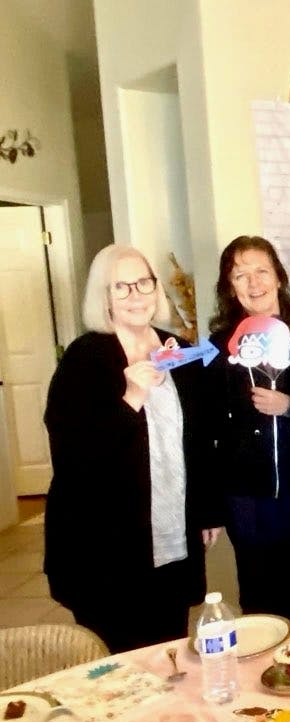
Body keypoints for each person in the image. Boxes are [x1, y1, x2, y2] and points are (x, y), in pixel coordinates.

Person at [43, 245, 219, 652]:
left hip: (171, 530)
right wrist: (131, 398)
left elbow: (200, 437)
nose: (136, 295)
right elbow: (73, 456)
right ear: (103, 298)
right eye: (121, 287)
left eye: (143, 282)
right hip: (104, 545)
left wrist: (207, 509)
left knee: (168, 649)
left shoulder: (178, 350)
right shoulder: (84, 358)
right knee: (118, 662)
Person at [206, 235, 290, 619]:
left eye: (262, 271)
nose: (254, 283)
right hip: (246, 492)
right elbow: (203, 424)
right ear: (229, 286)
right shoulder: (216, 346)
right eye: (241, 275)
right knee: (259, 596)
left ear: (278, 276)